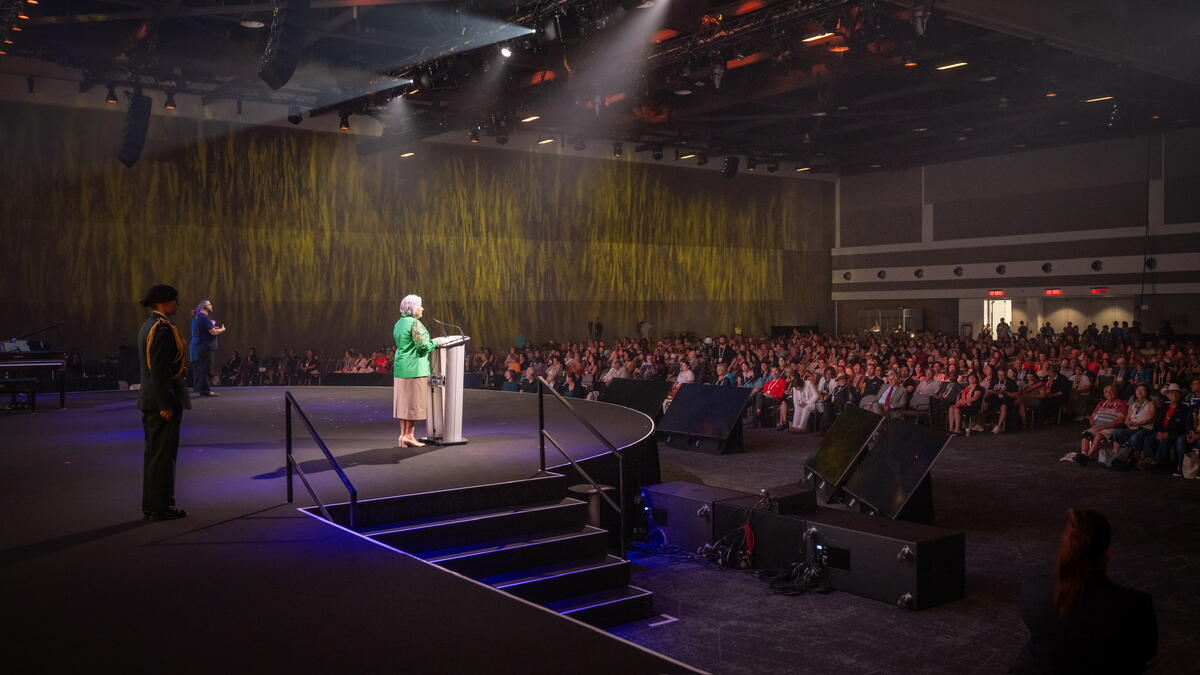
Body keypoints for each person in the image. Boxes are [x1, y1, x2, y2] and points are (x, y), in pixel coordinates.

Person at [1012, 509, 1156, 674]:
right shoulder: (1135, 605)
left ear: (1066, 548)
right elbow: (1148, 654)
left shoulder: (1033, 589)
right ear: (1108, 553)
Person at [137, 284, 191, 521]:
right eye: (175, 300)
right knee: (162, 456)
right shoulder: (161, 329)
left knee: (155, 456)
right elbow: (158, 370)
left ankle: (154, 504)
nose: (177, 305)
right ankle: (160, 506)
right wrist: (165, 404)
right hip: (162, 401)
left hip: (153, 399)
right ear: (163, 302)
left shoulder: (149, 325)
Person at [393, 295, 445, 448]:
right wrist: (436, 342)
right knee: (412, 404)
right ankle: (409, 436)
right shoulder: (415, 323)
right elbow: (423, 347)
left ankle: (403, 436)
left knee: (403, 403)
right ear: (413, 308)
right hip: (414, 368)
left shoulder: (399, 323)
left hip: (401, 367)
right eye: (420, 306)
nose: (422, 308)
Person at [188, 299, 227, 397]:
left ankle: (199, 388)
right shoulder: (203, 318)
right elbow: (213, 332)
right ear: (204, 307)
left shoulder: (196, 318)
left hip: (197, 346)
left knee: (199, 368)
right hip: (203, 346)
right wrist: (222, 329)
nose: (211, 306)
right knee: (205, 369)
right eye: (209, 304)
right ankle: (205, 391)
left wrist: (212, 327)